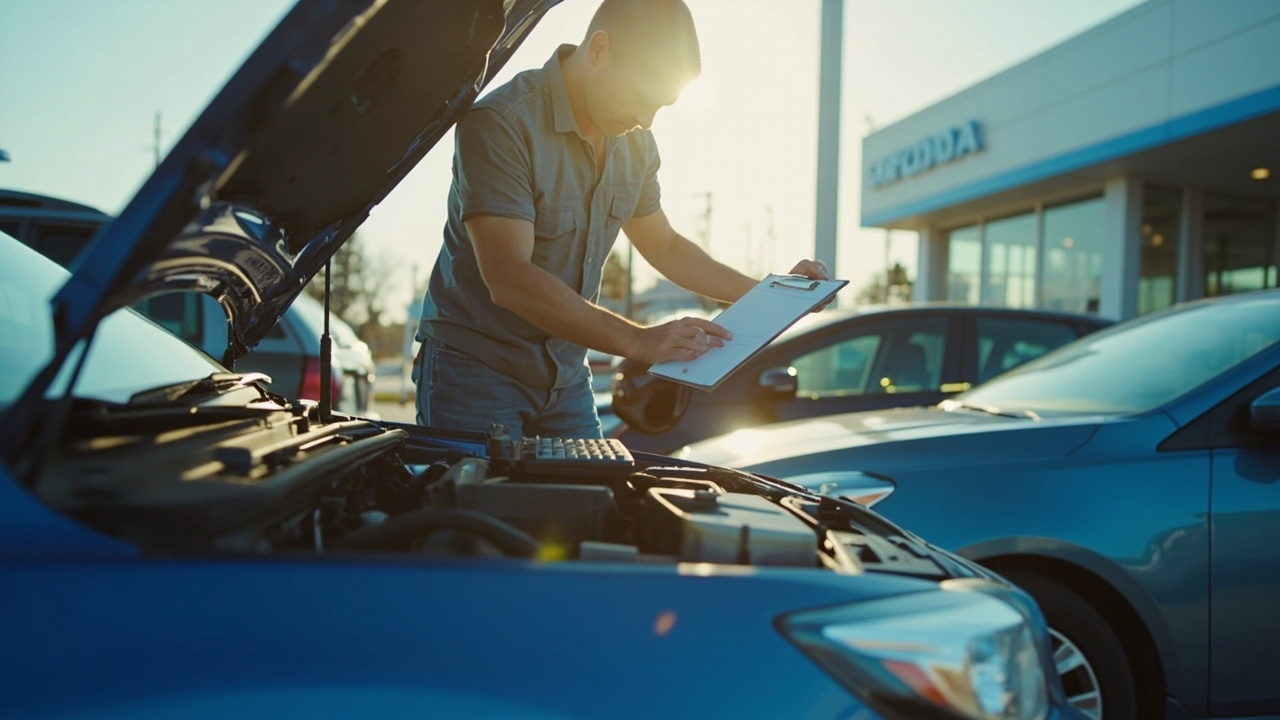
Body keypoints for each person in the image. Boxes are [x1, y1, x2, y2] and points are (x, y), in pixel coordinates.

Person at [413, 0, 829, 440]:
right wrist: (639, 341)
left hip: (566, 378)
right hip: (474, 373)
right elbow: (509, 277)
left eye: (660, 107)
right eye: (643, 99)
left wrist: (774, 296)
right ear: (599, 50)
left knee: (598, 487)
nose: (646, 120)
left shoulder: (635, 143)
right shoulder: (501, 123)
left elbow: (665, 245)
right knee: (476, 490)